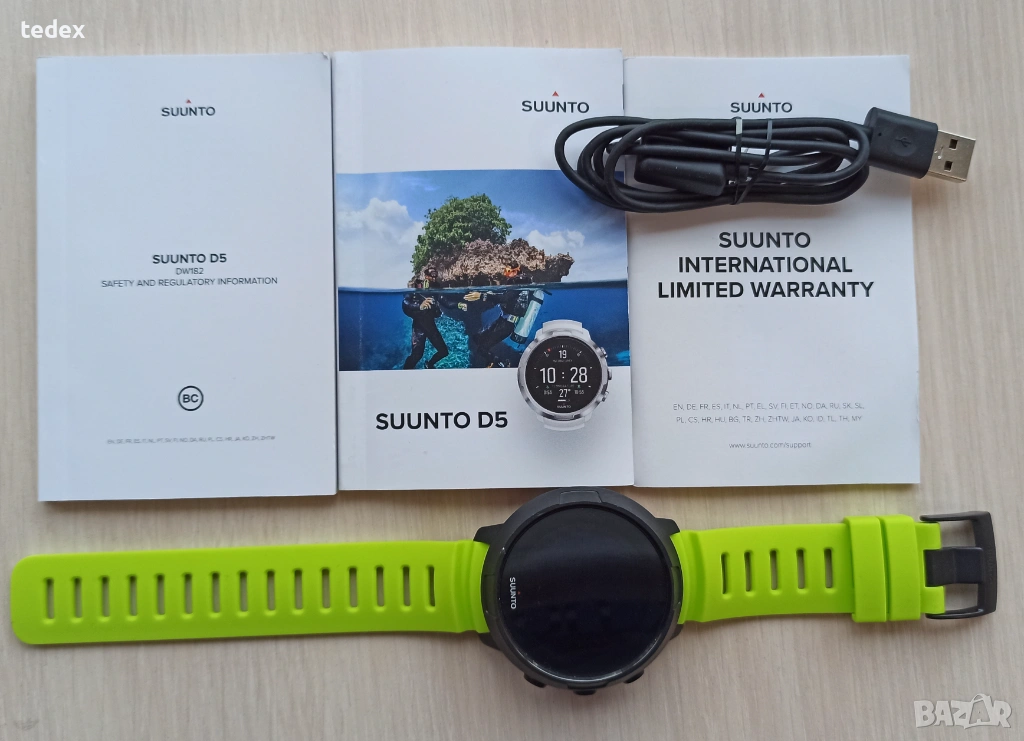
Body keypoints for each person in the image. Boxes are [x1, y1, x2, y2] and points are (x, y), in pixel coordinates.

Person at [401, 279, 449, 369]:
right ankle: (405, 372)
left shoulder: (434, 294)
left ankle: (429, 364)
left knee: (444, 352)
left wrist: (459, 304)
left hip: (431, 327)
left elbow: (447, 303)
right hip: (419, 328)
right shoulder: (413, 293)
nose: (424, 284)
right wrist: (419, 306)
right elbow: (405, 303)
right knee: (417, 355)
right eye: (421, 282)